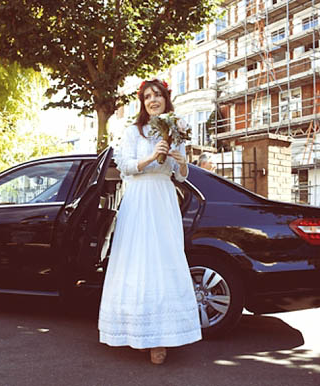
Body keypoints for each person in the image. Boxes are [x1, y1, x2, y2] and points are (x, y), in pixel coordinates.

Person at [98, 79, 201, 365]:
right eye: (147, 97)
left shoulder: (175, 131)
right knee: (137, 262)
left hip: (163, 199)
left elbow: (180, 177)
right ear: (142, 103)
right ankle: (137, 333)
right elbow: (126, 168)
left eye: (157, 95)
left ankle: (161, 338)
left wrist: (181, 162)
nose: (152, 100)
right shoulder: (133, 131)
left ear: (166, 99)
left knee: (164, 261)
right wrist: (149, 158)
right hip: (139, 199)